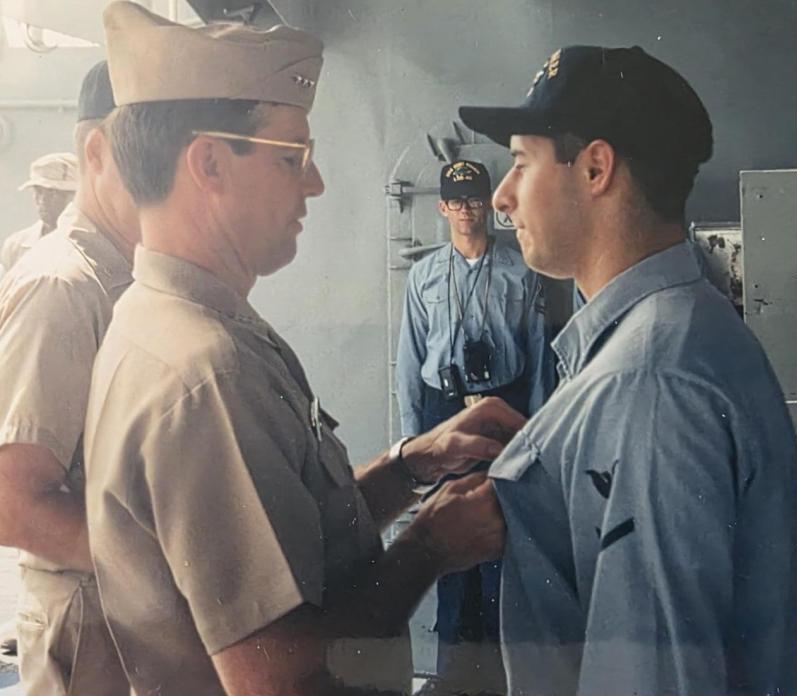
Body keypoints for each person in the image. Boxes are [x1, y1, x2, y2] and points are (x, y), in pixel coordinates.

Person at [84, 4, 523, 695]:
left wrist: (409, 467)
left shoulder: (181, 325)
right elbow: (278, 678)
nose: (314, 184)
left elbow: (293, 543)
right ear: (209, 165)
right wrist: (429, 546)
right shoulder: (205, 375)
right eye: (295, 157)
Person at [459, 45, 797, 696]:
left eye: (521, 163)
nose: (500, 196)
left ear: (595, 168)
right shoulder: (683, 330)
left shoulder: (647, 383)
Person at [0, 60, 135, 695]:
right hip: (88, 620)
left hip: (129, 612)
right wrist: (161, 568)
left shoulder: (127, 276)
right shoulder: (63, 285)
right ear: (98, 150)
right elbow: (13, 503)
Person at [396, 160, 553, 695]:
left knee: (497, 540)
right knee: (445, 537)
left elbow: (539, 362)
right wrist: (414, 458)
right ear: (442, 208)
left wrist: (529, 442)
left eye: (474, 199)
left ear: (488, 205)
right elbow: (408, 366)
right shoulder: (424, 277)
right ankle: (452, 678)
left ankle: (501, 678)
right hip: (445, 414)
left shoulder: (521, 272)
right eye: (456, 201)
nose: (466, 210)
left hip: (505, 411)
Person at [1, 152, 78, 271]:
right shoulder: (16, 246)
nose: (42, 200)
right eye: (38, 191)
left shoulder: (95, 246)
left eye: (53, 193)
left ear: (75, 196)